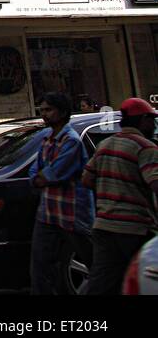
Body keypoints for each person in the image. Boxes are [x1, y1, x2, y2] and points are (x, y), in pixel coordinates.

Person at [82, 97, 158, 295]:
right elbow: (155, 182)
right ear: (142, 121)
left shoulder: (105, 145)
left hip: (104, 225)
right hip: (135, 228)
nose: (154, 124)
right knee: (144, 279)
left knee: (101, 283)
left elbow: (87, 180)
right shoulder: (146, 147)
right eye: (151, 119)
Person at [28, 92, 92, 295]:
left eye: (49, 110)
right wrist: (38, 178)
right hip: (48, 211)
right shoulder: (46, 138)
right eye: (42, 110)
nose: (44, 115)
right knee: (40, 265)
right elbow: (35, 170)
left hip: (72, 212)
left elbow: (54, 173)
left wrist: (40, 179)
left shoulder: (71, 141)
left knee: (93, 260)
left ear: (62, 112)